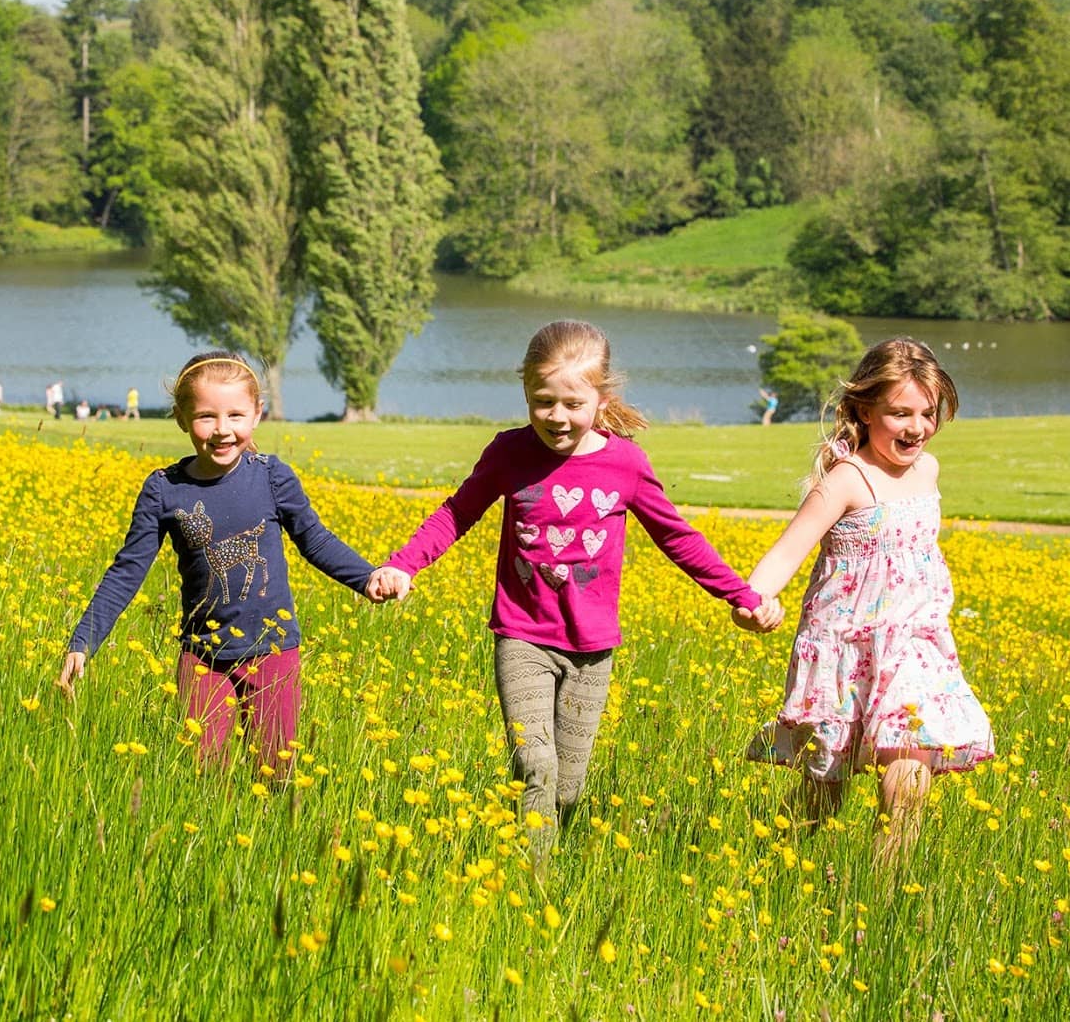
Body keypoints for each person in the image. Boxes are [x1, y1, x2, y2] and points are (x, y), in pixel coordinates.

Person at [368, 320, 780, 862]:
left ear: (601, 400)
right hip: (523, 637)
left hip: (593, 649)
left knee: (568, 783)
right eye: (542, 401)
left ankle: (553, 859)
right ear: (525, 393)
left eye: (571, 403)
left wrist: (740, 595)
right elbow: (457, 512)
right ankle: (530, 886)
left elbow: (677, 538)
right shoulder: (508, 454)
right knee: (534, 766)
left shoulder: (625, 464)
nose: (556, 417)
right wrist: (404, 565)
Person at [58, 351, 380, 776]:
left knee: (277, 772)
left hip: (273, 653)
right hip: (202, 657)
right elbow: (127, 571)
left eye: (236, 415)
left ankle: (276, 839)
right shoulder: (164, 490)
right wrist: (84, 640)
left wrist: (368, 577)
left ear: (257, 414)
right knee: (203, 775)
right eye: (207, 416)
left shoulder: (272, 477)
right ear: (180, 417)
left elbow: (315, 541)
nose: (222, 430)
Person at [741, 338, 993, 864]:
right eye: (900, 413)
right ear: (863, 410)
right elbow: (788, 551)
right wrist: (752, 600)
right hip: (845, 650)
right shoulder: (847, 481)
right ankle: (772, 872)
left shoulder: (928, 471)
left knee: (908, 786)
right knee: (823, 791)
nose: (916, 427)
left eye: (927, 413)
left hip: (915, 646)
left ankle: (880, 900)